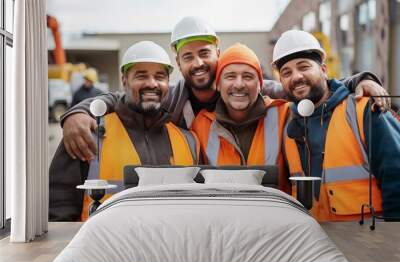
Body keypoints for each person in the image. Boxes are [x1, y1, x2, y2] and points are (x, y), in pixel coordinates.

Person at [60, 17, 388, 162]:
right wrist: (79, 110)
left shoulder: (265, 94)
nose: (198, 63)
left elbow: (307, 86)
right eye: (188, 57)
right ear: (178, 60)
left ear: (217, 53)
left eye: (205, 54)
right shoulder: (170, 101)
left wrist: (360, 81)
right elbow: (124, 99)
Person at [49, 41, 200, 222]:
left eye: (160, 76)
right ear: (124, 80)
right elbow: (58, 210)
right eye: (141, 76)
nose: (152, 83)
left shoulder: (187, 141)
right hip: (101, 247)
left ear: (168, 83)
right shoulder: (89, 133)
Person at [272, 30, 400, 221]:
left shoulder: (364, 110)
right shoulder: (288, 124)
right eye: (286, 72)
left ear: (323, 70)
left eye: (304, 67)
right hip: (318, 242)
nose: (296, 76)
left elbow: (396, 175)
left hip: (368, 242)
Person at [191, 43, 290, 192]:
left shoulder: (283, 115)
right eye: (230, 76)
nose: (239, 84)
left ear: (259, 85)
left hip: (273, 213)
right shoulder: (201, 125)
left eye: (248, 76)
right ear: (218, 84)